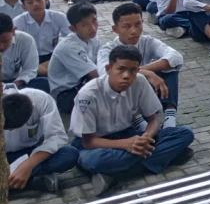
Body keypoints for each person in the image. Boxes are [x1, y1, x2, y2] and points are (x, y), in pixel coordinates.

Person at [70, 44, 195, 196]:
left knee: (185, 133)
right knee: (93, 160)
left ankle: (114, 174)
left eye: (133, 70)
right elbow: (88, 141)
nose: (127, 76)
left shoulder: (140, 82)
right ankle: (162, 158)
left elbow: (153, 120)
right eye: (121, 69)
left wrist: (145, 138)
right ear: (108, 69)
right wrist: (126, 144)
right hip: (97, 144)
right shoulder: (88, 95)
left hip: (129, 134)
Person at [98, 3, 184, 128]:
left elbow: (176, 57)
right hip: (123, 103)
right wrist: (144, 74)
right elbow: (105, 74)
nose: (134, 31)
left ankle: (170, 117)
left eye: (138, 24)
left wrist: (144, 70)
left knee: (170, 66)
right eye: (126, 26)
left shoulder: (147, 41)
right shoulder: (107, 50)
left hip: (148, 95)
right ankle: (138, 121)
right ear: (115, 29)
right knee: (120, 79)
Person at [4, 87, 79, 194]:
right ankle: (31, 181)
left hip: (32, 152)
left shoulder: (40, 99)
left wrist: (29, 164)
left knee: (69, 154)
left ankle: (13, 182)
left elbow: (57, 136)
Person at [46, 2, 101, 113]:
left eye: (94, 21)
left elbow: (102, 63)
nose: (93, 28)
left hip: (84, 84)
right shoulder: (69, 47)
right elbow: (95, 74)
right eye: (85, 25)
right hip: (66, 94)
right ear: (73, 29)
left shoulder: (93, 40)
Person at [13, 0, 69, 76]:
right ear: (24, 7)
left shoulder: (58, 17)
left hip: (53, 55)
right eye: (30, 2)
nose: (35, 4)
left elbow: (71, 38)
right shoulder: (18, 22)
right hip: (29, 58)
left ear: (46, 0)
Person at [0, 12, 44, 90]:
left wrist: (13, 86)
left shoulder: (25, 40)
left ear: (13, 31)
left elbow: (30, 69)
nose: (1, 46)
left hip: (17, 81)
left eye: (4, 41)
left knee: (44, 83)